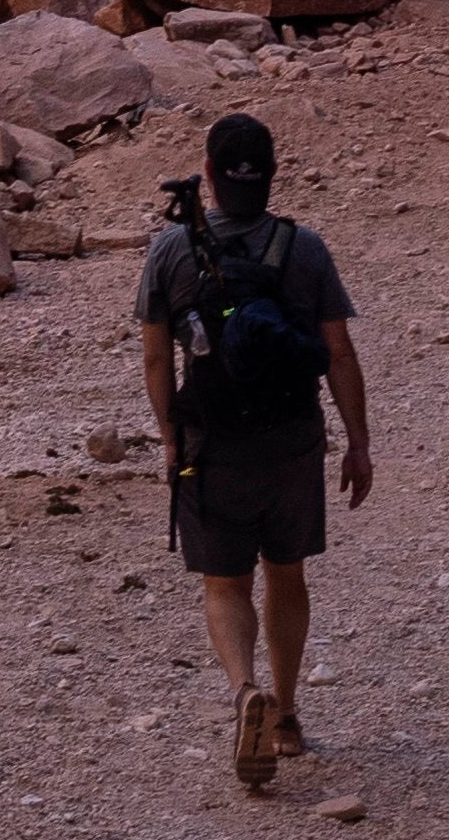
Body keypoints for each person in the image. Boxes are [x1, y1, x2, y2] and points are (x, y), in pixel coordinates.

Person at [139, 108, 373, 799]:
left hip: (212, 446)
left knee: (224, 585)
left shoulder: (171, 250)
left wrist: (168, 435)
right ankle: (290, 717)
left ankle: (244, 688)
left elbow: (156, 357)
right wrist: (358, 443)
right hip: (292, 442)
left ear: (207, 176)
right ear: (271, 178)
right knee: (287, 573)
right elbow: (338, 352)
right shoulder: (305, 250)